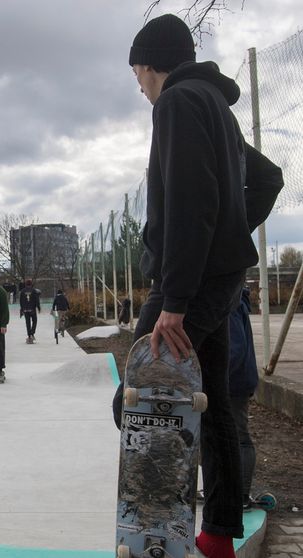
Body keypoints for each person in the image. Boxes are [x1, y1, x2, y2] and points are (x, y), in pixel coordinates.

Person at [115, 14, 284, 557]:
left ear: (148, 63)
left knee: (135, 398)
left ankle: (159, 525)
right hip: (218, 277)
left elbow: (189, 203)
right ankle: (216, 537)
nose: (139, 86)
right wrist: (232, 233)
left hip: (185, 284)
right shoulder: (216, 106)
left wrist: (177, 299)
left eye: (137, 72)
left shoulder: (178, 102)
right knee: (208, 400)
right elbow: (267, 178)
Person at [228, 286, 259, 509]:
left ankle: (239, 494)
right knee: (228, 437)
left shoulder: (230, 302)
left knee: (239, 437)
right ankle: (226, 489)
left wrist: (213, 379)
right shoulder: (235, 298)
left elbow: (234, 349)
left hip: (232, 383)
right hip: (237, 380)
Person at [18, 279, 41, 343]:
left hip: (25, 309)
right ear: (31, 284)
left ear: (25, 284)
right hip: (32, 309)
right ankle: (32, 333)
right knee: (34, 321)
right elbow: (37, 300)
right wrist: (38, 307)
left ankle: (29, 335)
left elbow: (21, 301)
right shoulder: (34, 291)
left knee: (27, 323)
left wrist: (22, 309)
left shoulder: (22, 291)